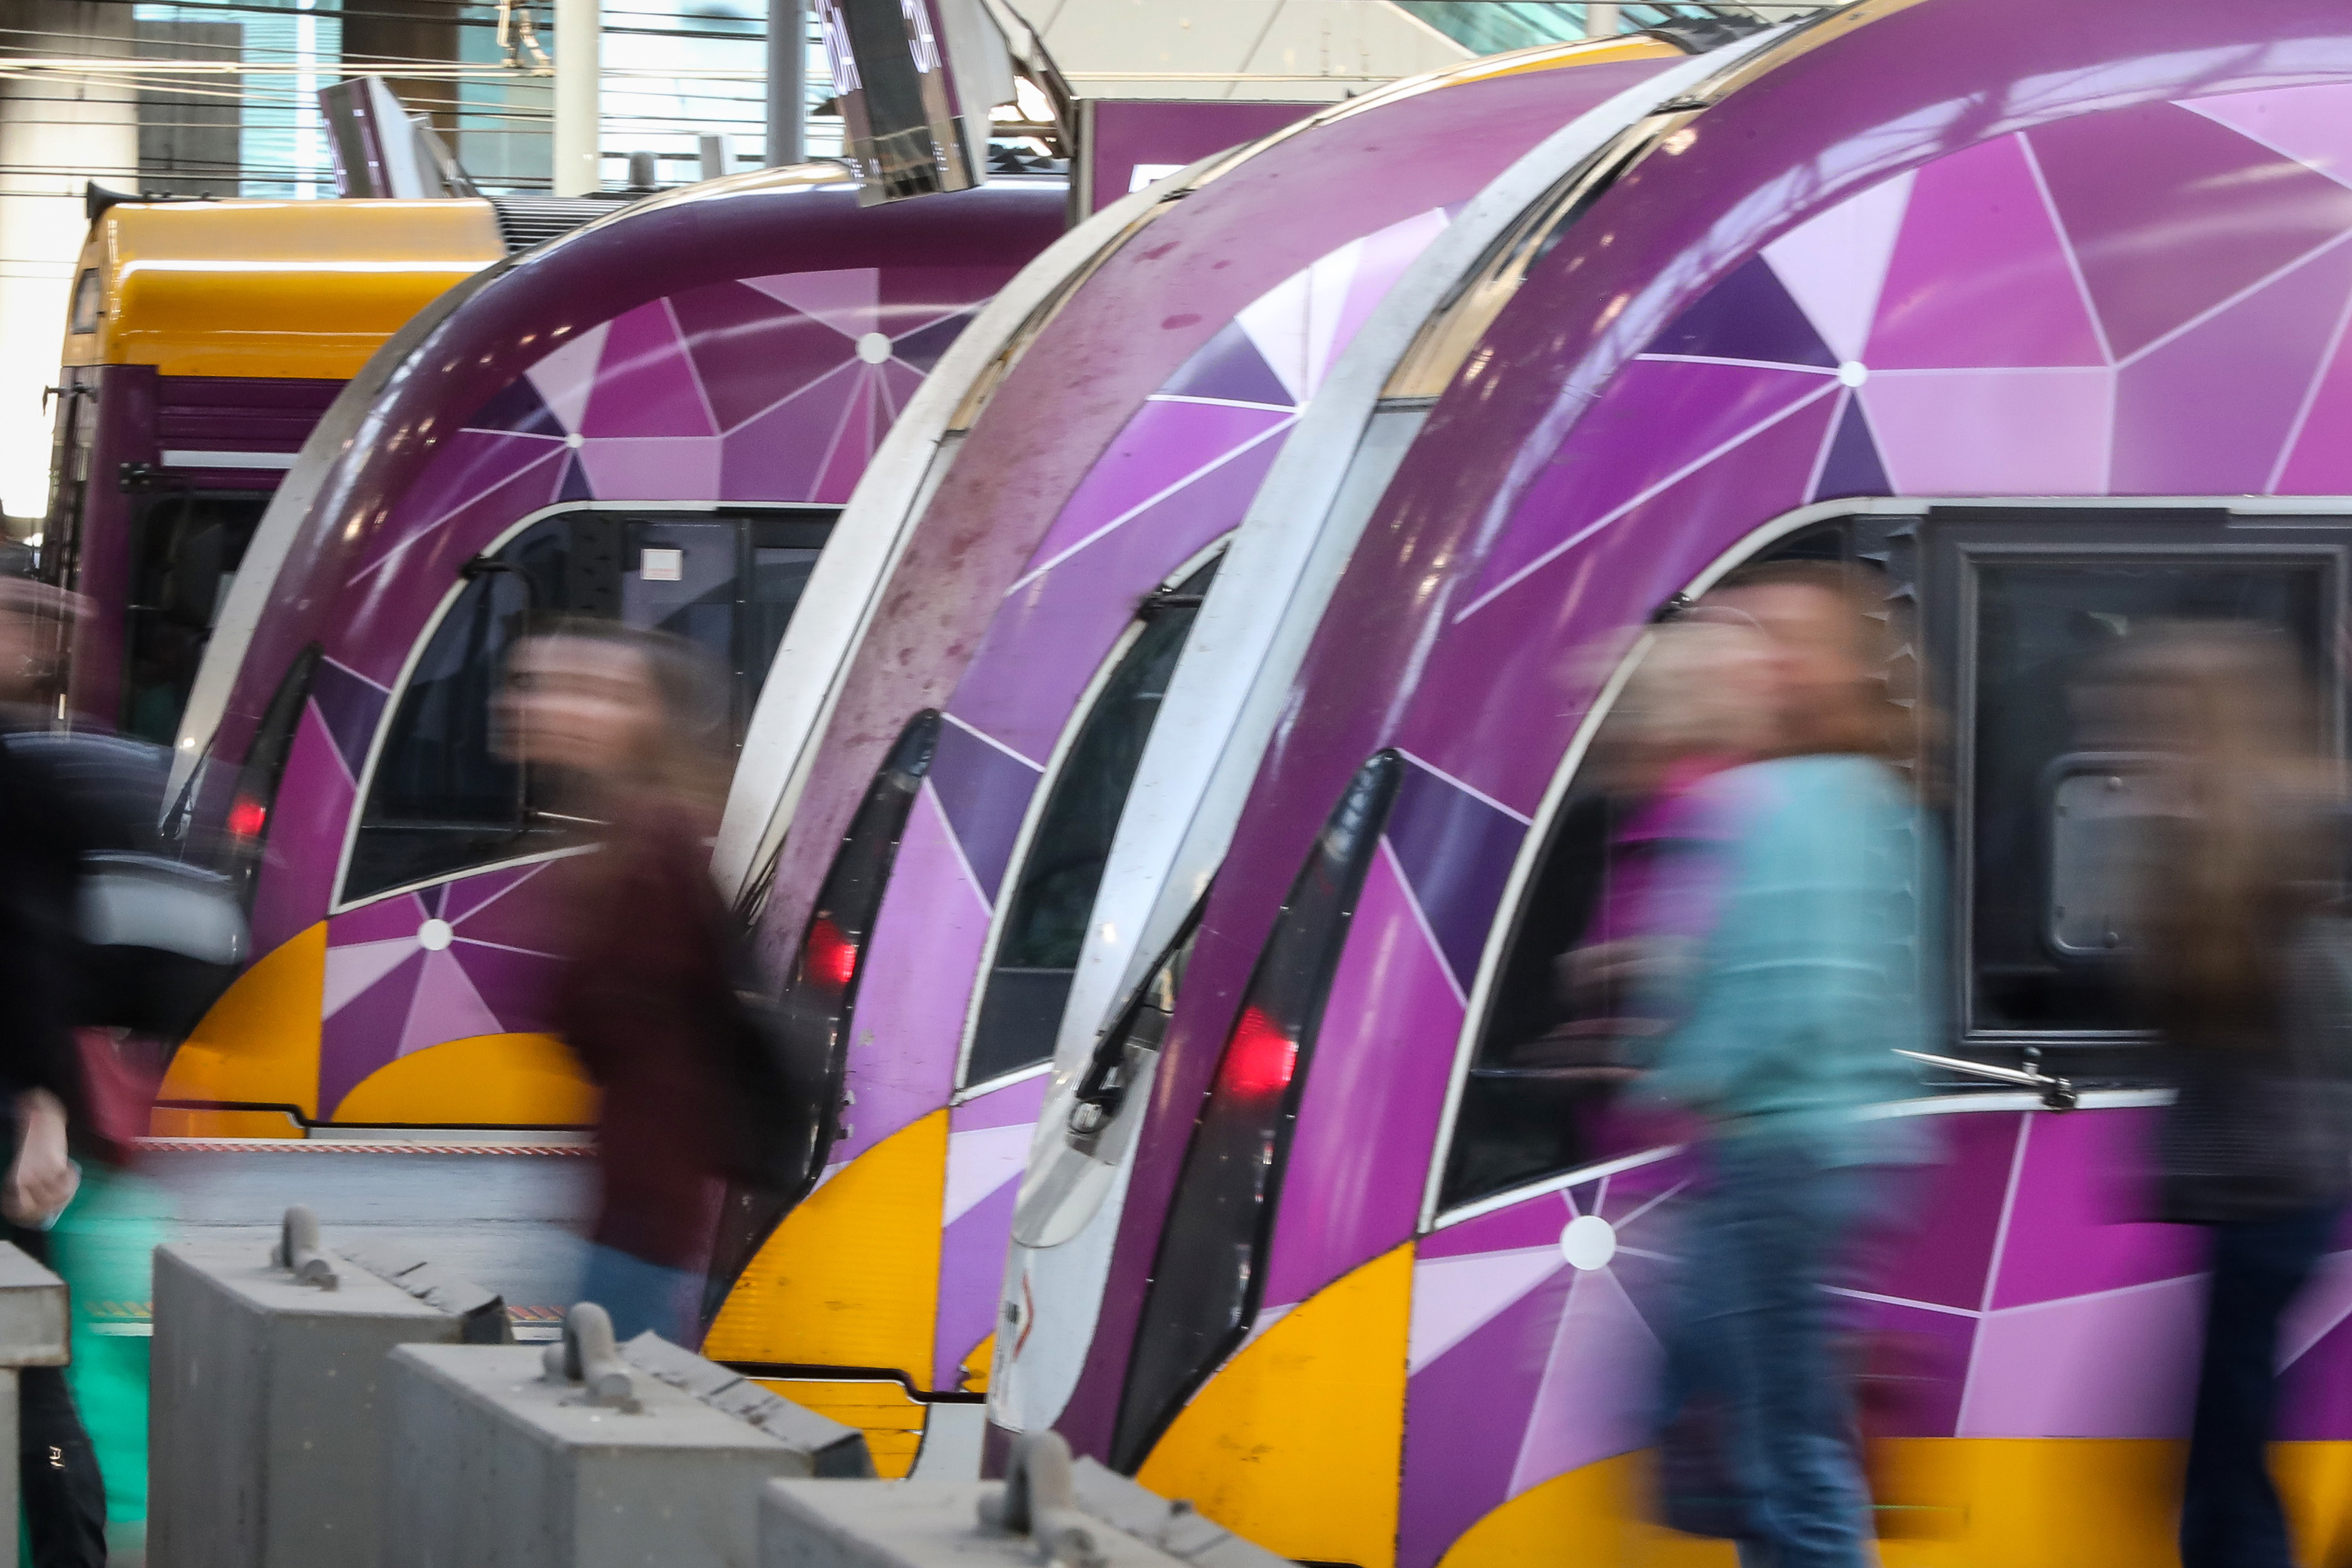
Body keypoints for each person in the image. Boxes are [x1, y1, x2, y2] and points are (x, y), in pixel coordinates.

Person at [1636, 561, 1939, 1567]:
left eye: (1778, 641)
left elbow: (1797, 986)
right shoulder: (1877, 796)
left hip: (1783, 1147)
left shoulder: (1771, 798)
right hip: (1839, 1144)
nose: (1756, 659)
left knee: (1782, 1442)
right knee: (1734, 1409)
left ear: (1826, 671)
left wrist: (1676, 1075)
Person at [2111, 626, 2352, 1568]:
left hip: (2271, 1174)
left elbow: (2198, 1010)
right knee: (2229, 1416)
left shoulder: (2251, 838)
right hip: (2277, 1175)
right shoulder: (2269, 825)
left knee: (2228, 1424)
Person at [498, 619, 738, 1345]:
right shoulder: (630, 832)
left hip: (651, 1195)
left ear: (650, 719)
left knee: (609, 1383)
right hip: (636, 1186)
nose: (540, 705)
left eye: (594, 691)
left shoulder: (651, 842)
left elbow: (622, 1017)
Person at [0, 577, 112, 1567]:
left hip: (7, 1118)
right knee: (33, 1366)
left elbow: (32, 956)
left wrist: (42, 1113)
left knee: (32, 1372)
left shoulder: (21, 780)